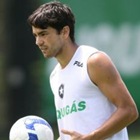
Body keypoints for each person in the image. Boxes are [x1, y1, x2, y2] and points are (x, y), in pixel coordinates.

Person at [27, 1, 138, 140]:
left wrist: (90, 137)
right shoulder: (54, 76)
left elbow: (129, 111)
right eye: (35, 35)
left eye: (43, 34)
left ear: (65, 32)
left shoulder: (93, 61)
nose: (38, 42)